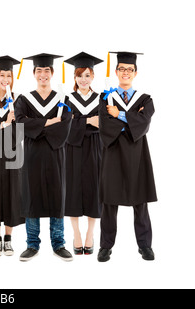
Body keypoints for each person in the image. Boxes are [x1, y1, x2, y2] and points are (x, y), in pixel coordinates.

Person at [97, 51, 157, 262]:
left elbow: (145, 123)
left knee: (140, 202)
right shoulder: (105, 97)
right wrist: (131, 121)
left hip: (137, 156)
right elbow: (104, 125)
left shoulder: (145, 99)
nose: (125, 73)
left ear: (135, 73)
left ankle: (145, 245)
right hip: (113, 153)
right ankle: (105, 246)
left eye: (129, 69)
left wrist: (119, 115)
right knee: (109, 203)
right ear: (116, 71)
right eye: (121, 69)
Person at [14, 53, 73, 262]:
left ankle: (59, 243)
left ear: (52, 73)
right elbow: (20, 123)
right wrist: (48, 123)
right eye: (39, 71)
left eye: (46, 70)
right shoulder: (24, 99)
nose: (43, 74)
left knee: (57, 197)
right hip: (32, 156)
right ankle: (32, 244)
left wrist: (36, 125)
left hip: (56, 154)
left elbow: (64, 128)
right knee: (32, 197)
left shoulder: (63, 99)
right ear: (33, 73)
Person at [63, 52, 104, 255]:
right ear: (74, 77)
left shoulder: (102, 99)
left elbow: (104, 124)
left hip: (95, 148)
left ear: (93, 77)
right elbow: (64, 126)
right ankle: (76, 234)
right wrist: (88, 121)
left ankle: (90, 234)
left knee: (94, 188)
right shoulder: (67, 99)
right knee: (73, 189)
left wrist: (78, 121)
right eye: (80, 75)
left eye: (87, 75)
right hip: (73, 148)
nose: (84, 79)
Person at [0, 55, 24, 256]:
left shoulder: (18, 101)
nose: (5, 79)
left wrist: (15, 121)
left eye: (8, 75)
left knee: (12, 192)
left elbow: (22, 133)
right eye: (2, 75)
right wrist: (4, 124)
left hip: (12, 154)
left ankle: (8, 239)